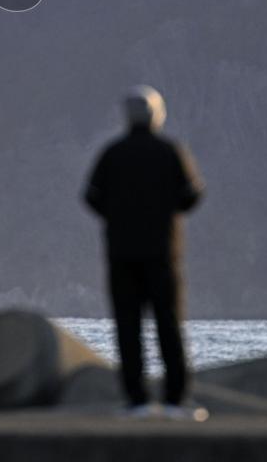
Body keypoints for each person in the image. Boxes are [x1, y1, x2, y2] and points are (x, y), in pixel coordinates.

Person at [83, 85, 204, 417]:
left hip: (121, 253)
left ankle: (135, 399)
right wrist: (168, 211)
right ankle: (175, 398)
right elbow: (192, 195)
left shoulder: (113, 153)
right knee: (169, 323)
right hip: (162, 252)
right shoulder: (170, 152)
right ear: (158, 115)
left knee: (128, 327)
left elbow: (91, 196)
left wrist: (115, 215)